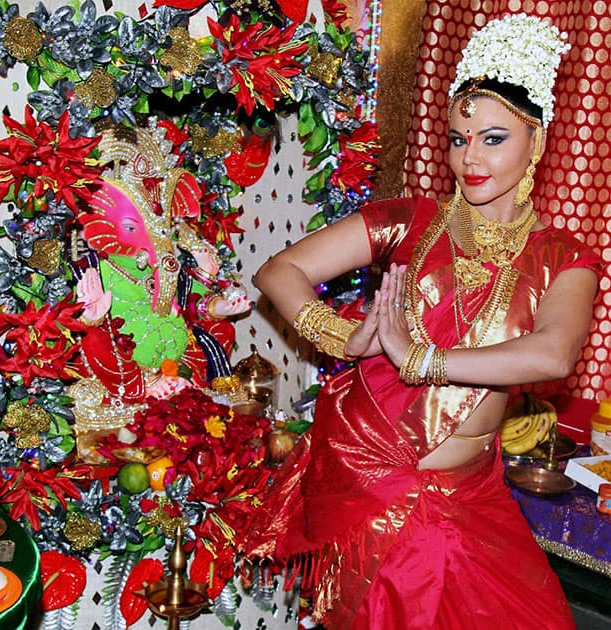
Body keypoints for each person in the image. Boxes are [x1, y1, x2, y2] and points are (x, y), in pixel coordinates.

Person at [238, 13, 603, 629]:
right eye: (459, 139)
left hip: (471, 489)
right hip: (373, 471)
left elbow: (553, 355)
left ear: (535, 141)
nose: (469, 158)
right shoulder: (411, 219)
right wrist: (340, 334)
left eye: (493, 138)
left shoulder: (564, 256)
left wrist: (423, 359)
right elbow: (280, 272)